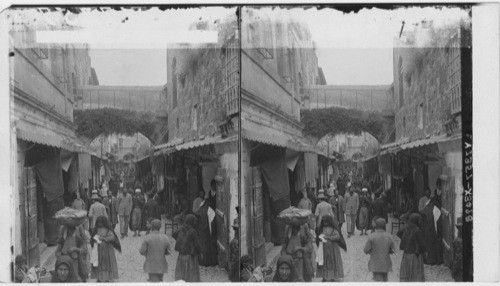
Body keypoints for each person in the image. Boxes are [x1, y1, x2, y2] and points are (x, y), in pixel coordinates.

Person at [90, 216, 121, 282]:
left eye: (100, 223)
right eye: (98, 223)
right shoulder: (96, 229)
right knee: (98, 264)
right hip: (98, 251)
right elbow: (92, 238)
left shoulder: (108, 229)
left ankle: (107, 278)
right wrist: (95, 239)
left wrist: (104, 238)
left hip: (107, 251)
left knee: (107, 264)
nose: (99, 225)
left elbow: (112, 237)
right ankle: (99, 278)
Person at [397, 213, 426, 282]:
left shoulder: (406, 227)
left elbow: (398, 233)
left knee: (407, 271)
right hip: (415, 254)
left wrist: (405, 240)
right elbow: (422, 243)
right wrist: (424, 250)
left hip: (406, 253)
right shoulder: (417, 230)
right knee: (416, 272)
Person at [316, 215, 346, 282]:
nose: (325, 223)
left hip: (333, 249)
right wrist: (320, 238)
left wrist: (329, 237)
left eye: (326, 222)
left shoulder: (333, 229)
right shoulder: (322, 228)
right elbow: (318, 236)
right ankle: (324, 276)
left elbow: (338, 236)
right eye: (324, 222)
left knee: (332, 262)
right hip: (324, 249)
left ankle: (333, 276)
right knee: (324, 262)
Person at [173, 214, 201, 282]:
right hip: (190, 254)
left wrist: (180, 240)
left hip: (181, 253)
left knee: (181, 270)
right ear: (192, 222)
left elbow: (173, 234)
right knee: (190, 270)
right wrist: (200, 251)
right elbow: (197, 244)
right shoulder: (193, 231)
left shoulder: (181, 228)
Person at [420, 196, 443, 265]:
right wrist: (437, 232)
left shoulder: (425, 208)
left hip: (426, 230)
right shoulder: (435, 209)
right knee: (434, 244)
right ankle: (436, 260)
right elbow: (436, 221)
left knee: (428, 245)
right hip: (432, 229)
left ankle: (429, 260)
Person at [196, 200, 218, 267]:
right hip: (206, 231)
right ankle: (208, 262)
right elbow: (211, 223)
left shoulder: (199, 209)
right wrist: (212, 233)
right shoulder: (210, 210)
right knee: (207, 247)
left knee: (202, 246)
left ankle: (201, 261)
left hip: (200, 231)